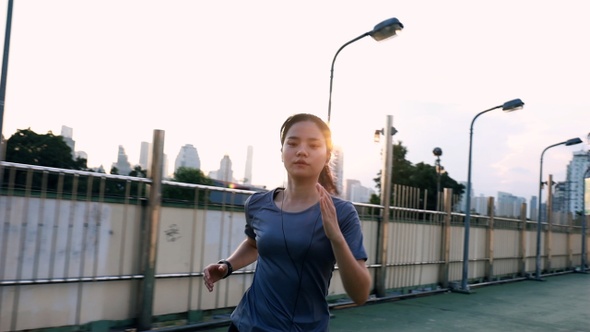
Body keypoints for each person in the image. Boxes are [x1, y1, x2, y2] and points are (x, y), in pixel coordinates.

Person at [203, 113, 371, 331]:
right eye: (292, 143)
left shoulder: (342, 213)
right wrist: (227, 266)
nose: (302, 151)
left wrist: (336, 237)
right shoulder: (257, 203)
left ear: (327, 155)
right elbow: (254, 244)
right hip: (246, 324)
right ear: (282, 152)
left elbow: (360, 295)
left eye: (313, 145)